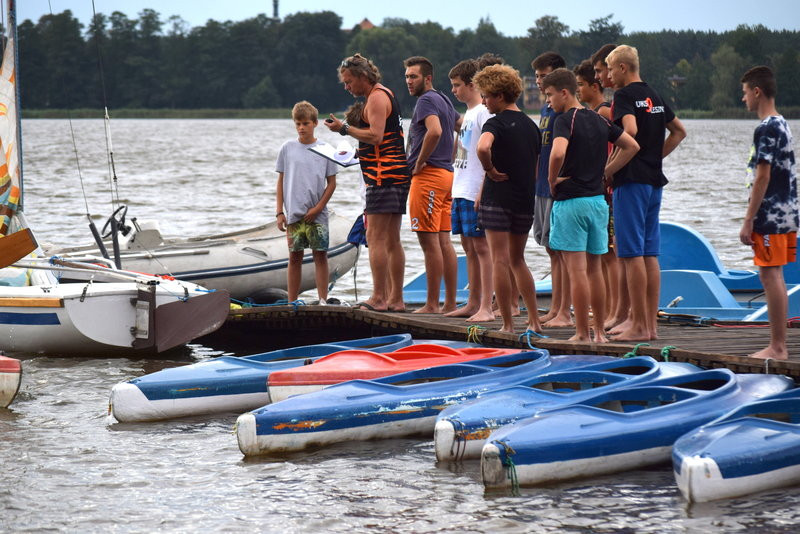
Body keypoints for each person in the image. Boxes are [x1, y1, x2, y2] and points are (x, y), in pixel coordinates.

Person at [542, 69, 639, 343]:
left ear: (564, 92)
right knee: (595, 270)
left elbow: (558, 152)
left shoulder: (564, 120)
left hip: (571, 202)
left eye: (550, 95)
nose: (548, 101)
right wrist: (605, 173)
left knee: (577, 272)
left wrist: (551, 180)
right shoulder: (599, 120)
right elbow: (631, 146)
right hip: (598, 203)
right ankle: (599, 333)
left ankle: (582, 332)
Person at [605, 44, 687, 341]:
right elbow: (679, 131)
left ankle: (638, 324)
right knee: (649, 253)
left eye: (611, 69)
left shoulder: (624, 95)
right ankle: (648, 326)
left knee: (630, 254)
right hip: (653, 182)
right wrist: (656, 157)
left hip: (631, 182)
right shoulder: (656, 94)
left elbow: (631, 131)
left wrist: (609, 170)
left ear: (623, 68)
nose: (610, 75)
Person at [325, 53, 411, 312]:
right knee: (392, 240)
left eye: (349, 82)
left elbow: (375, 135)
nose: (346, 87)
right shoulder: (388, 94)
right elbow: (387, 140)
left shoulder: (375, 97)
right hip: (397, 173)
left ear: (363, 77)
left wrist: (344, 129)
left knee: (375, 238)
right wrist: (356, 154)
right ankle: (396, 299)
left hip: (383, 177)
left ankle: (379, 298)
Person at [472, 64, 543, 334]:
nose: (484, 101)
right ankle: (535, 320)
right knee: (518, 259)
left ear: (500, 96)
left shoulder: (495, 122)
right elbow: (536, 166)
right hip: (524, 199)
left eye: (487, 96)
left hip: (498, 198)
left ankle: (507, 324)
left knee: (499, 259)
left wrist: (489, 169)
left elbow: (482, 147)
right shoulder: (530, 125)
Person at [739, 66, 798, 360]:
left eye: (745, 92)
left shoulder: (766, 128)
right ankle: (779, 344)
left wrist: (749, 219)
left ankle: (778, 347)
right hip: (786, 213)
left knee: (769, 274)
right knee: (775, 275)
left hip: (771, 215)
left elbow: (762, 175)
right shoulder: (783, 123)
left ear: (757, 91)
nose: (743, 99)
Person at [404, 56, 460, 314]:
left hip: (428, 177)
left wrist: (419, 161)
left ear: (427, 78)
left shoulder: (427, 100)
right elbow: (461, 125)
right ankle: (448, 302)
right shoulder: (444, 99)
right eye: (406, 76)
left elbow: (435, 131)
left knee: (429, 244)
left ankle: (431, 304)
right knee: (443, 241)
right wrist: (454, 155)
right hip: (447, 176)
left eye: (413, 76)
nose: (408, 81)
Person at [443, 58, 495, 322]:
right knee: (468, 247)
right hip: (460, 187)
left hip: (475, 188)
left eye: (457, 85)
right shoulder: (468, 115)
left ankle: (487, 304)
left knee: (482, 248)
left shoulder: (484, 112)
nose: (454, 90)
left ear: (472, 84)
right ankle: (473, 301)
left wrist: (482, 190)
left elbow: (492, 151)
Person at [276, 101, 338, 304]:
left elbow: (331, 183)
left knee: (320, 255)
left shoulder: (325, 149)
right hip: (294, 213)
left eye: (305, 123)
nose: (301, 128)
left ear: (315, 123)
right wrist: (279, 212)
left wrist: (318, 207)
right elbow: (281, 181)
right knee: (295, 257)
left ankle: (322, 299)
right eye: (298, 124)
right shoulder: (287, 148)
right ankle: (291, 301)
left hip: (317, 214)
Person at [574, 59, 620, 324]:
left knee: (608, 253)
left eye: (581, 85)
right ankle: (607, 309)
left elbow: (614, 147)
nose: (579, 90)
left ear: (594, 85)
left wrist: (604, 174)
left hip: (604, 189)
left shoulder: (602, 113)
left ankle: (613, 310)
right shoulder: (594, 112)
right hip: (600, 189)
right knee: (602, 255)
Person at [531, 51, 571, 328]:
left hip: (558, 189)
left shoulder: (564, 112)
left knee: (561, 250)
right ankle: (556, 307)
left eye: (543, 76)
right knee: (549, 248)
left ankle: (564, 311)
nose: (538, 82)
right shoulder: (547, 108)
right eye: (536, 77)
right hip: (541, 187)